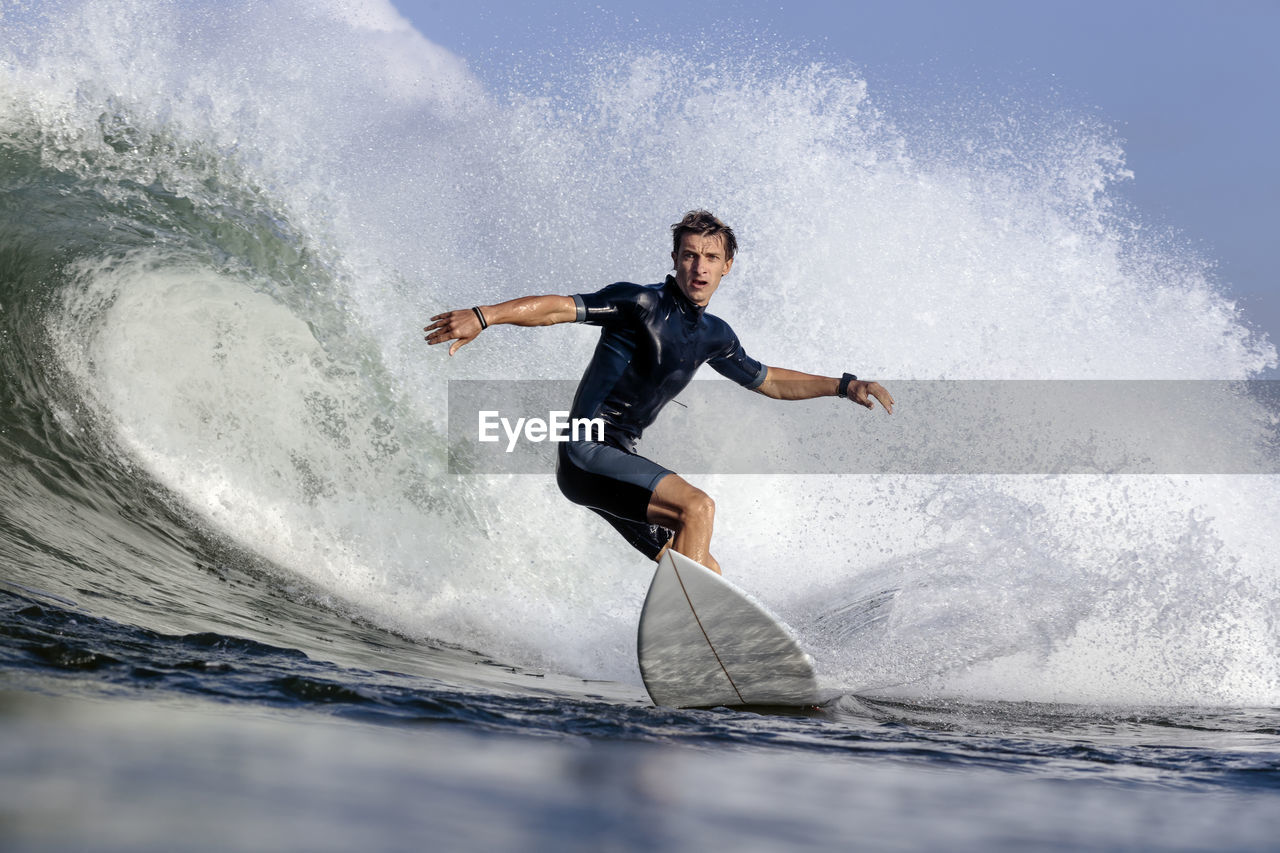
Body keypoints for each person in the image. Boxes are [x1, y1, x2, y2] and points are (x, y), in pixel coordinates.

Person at [424, 210, 893, 575]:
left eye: (711, 257)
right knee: (698, 507)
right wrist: (485, 315)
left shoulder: (715, 335)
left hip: (615, 464)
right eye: (690, 255)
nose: (699, 267)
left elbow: (768, 380)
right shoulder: (639, 303)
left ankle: (718, 662)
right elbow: (557, 309)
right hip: (587, 450)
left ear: (728, 266)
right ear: (675, 259)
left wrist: (843, 385)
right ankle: (688, 648)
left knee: (703, 566)